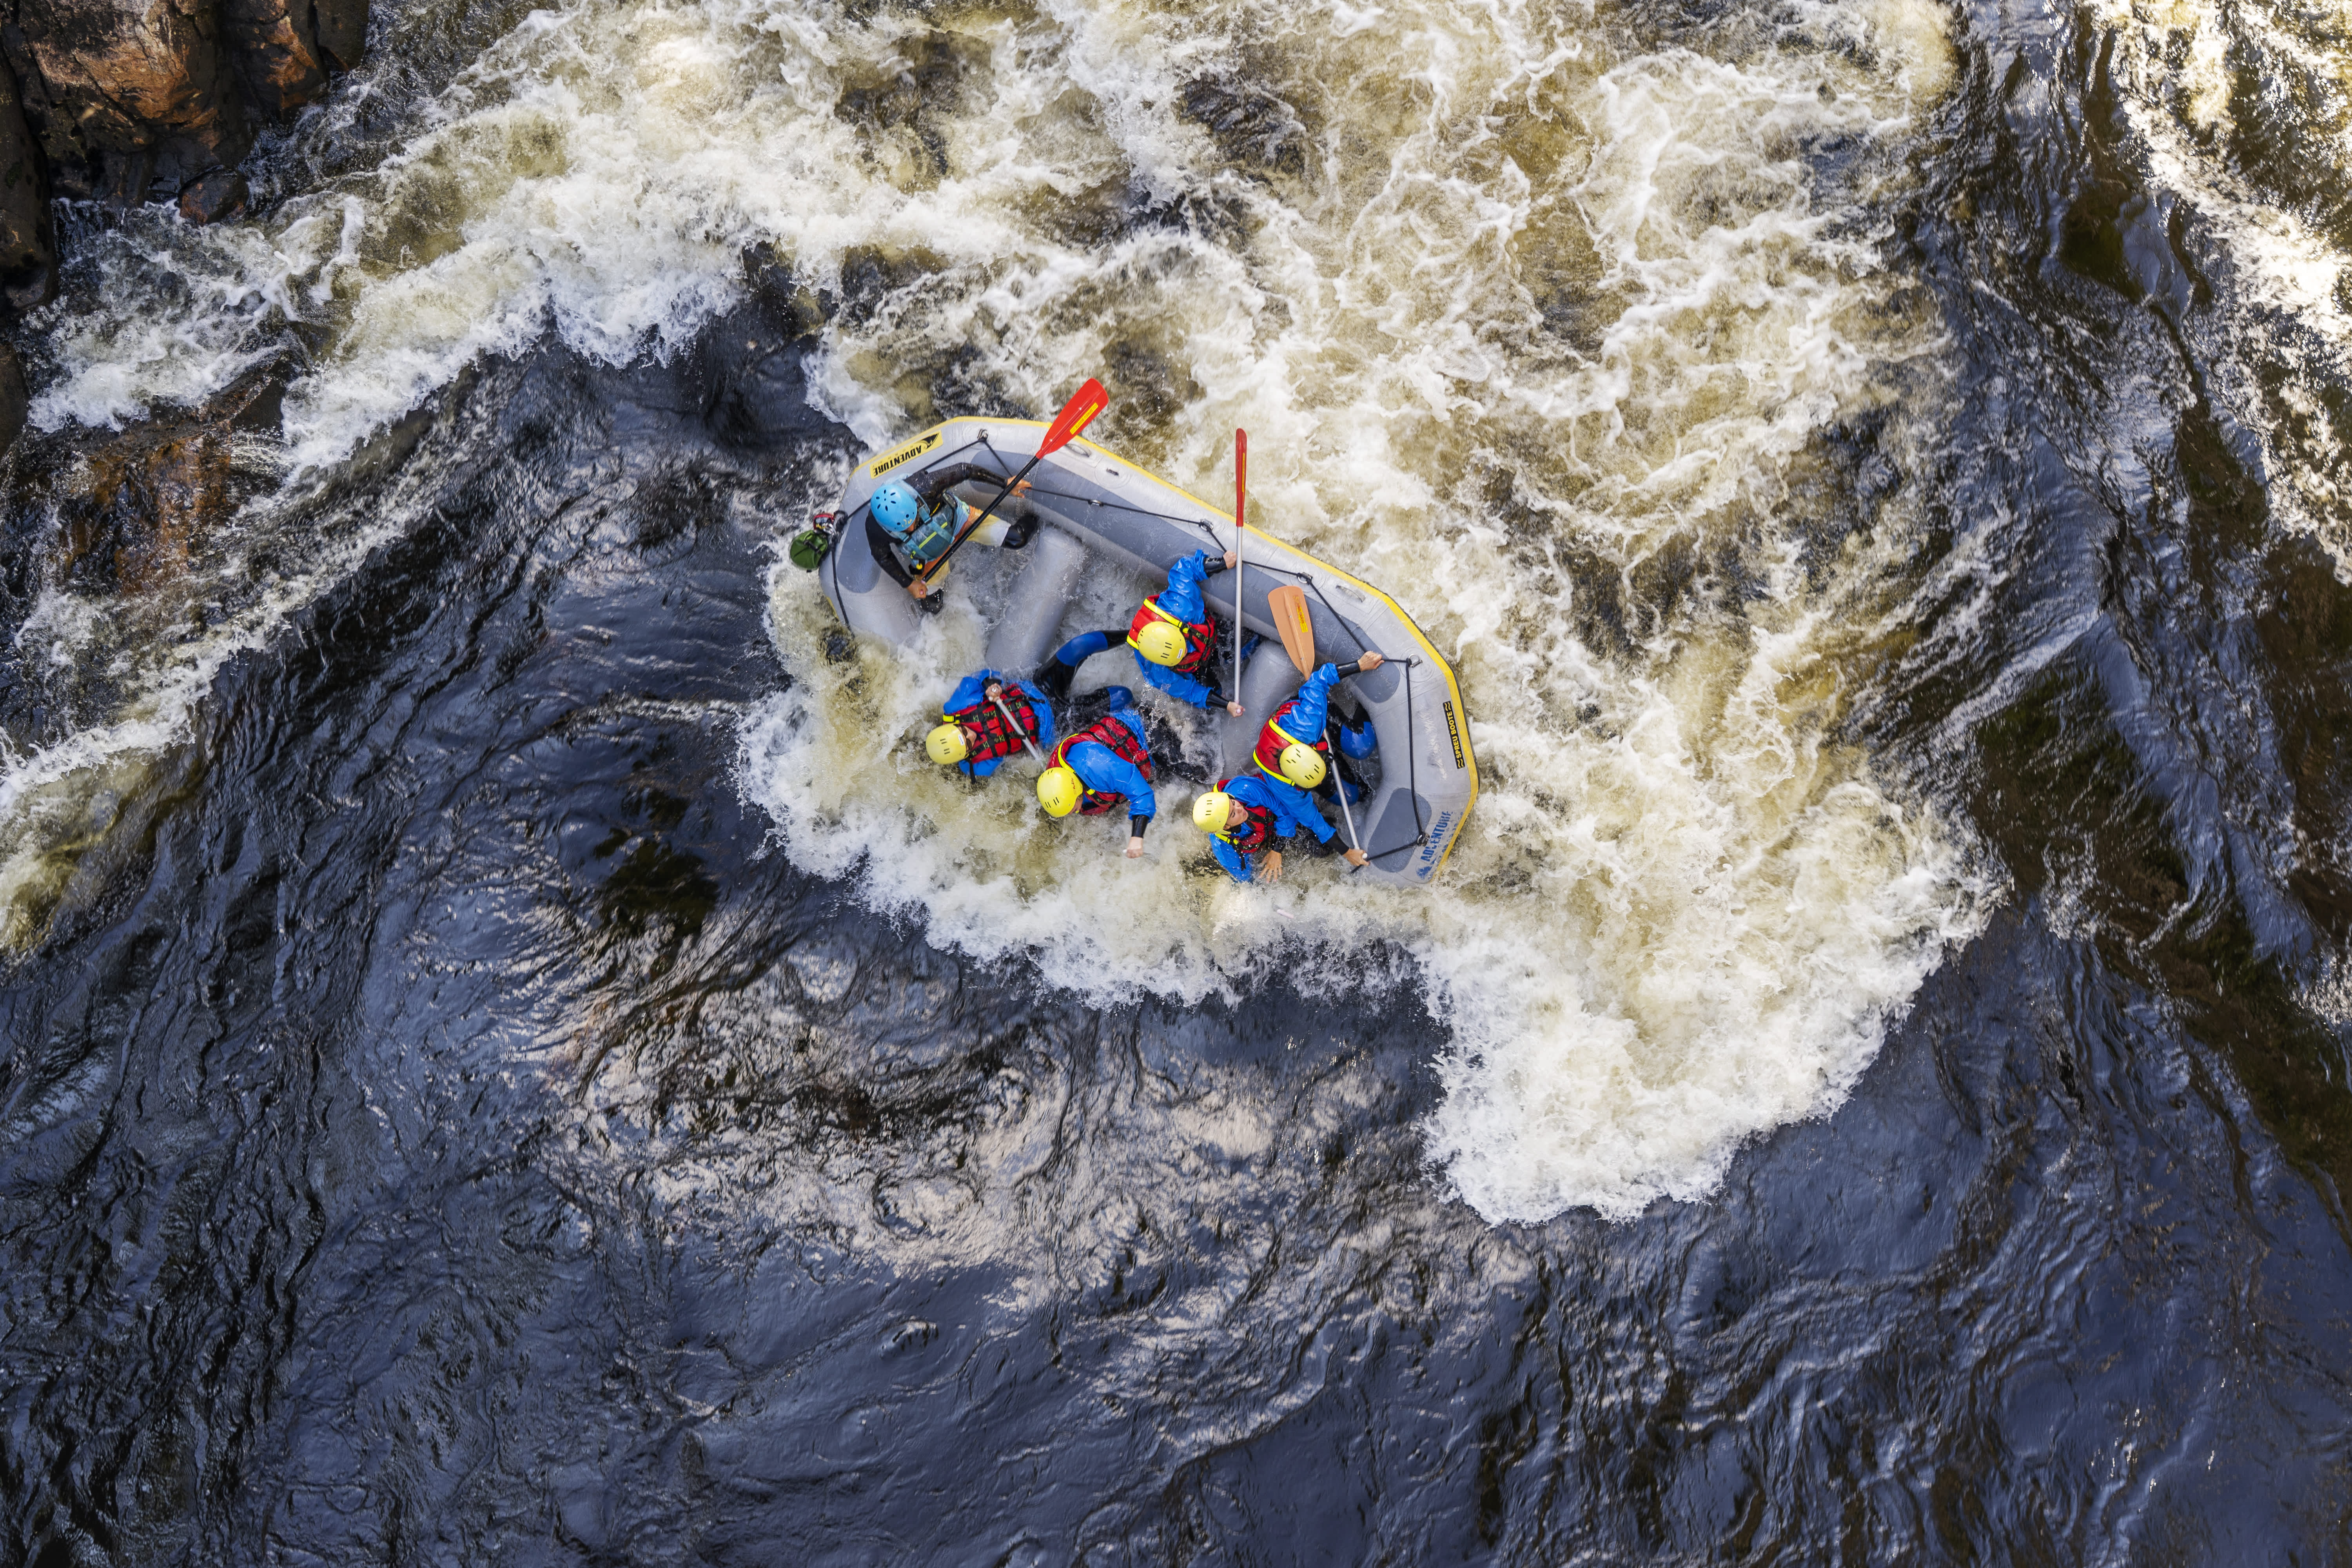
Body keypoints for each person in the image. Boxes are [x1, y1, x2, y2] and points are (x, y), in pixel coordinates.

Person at [1036, 548, 1248, 715]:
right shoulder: (1159, 672)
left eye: (1183, 650)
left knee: (1239, 643)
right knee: (1216, 692)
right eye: (1180, 656)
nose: (1185, 652)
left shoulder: (1183, 605)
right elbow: (1191, 691)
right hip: (1195, 668)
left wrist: (1222, 563)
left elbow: (1185, 569)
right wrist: (1225, 705)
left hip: (1204, 629)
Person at [1248, 652, 1385, 859]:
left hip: (1306, 721)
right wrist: (1347, 853)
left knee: (1360, 745)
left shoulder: (1308, 723)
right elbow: (1314, 822)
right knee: (1350, 797)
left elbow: (1321, 677)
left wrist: (1360, 665)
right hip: (1302, 751)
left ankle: (1360, 709)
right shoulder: (1286, 789)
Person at [866, 465, 1038, 613]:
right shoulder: (875, 528)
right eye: (905, 528)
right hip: (929, 556)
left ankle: (1037, 518)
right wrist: (909, 584)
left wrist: (1005, 483)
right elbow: (883, 556)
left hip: (960, 522)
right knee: (932, 605)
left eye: (913, 519)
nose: (912, 528)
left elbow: (965, 470)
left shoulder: (926, 486)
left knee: (1018, 539)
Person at [1034, 686, 1158, 858]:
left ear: (1077, 791)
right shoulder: (1056, 775)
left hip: (1145, 732)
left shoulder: (1100, 767)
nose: (1071, 814)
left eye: (1071, 809)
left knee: (1199, 772)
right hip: (1111, 742)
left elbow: (1143, 794)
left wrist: (1137, 837)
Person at [1191, 773, 1348, 882]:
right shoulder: (1225, 850)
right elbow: (1246, 879)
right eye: (1233, 814)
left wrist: (1277, 850)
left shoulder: (1245, 790)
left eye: (1233, 802)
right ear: (1225, 826)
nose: (1240, 809)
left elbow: (1285, 811)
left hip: (1280, 812)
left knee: (1322, 848)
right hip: (1264, 835)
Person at [924, 669, 1056, 779]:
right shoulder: (975, 767)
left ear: (954, 726)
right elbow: (1012, 767)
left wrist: (990, 686)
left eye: (963, 732)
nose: (971, 736)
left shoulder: (957, 706)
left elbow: (981, 676)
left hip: (1034, 690)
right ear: (963, 756)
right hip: (1049, 732)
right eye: (968, 745)